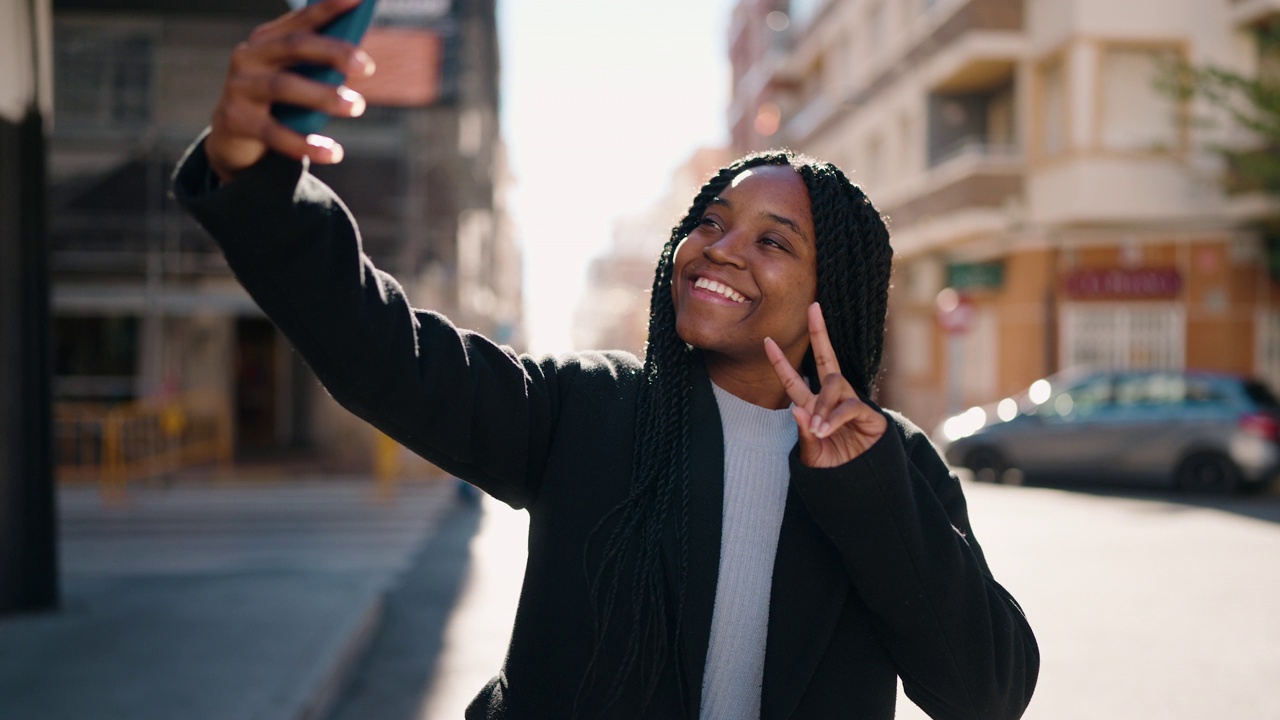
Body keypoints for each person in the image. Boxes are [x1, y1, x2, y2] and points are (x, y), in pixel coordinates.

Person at [172, 1, 1039, 717]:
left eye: (773, 241)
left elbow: (985, 691)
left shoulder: (896, 466)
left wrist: (868, 493)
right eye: (709, 221)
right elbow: (384, 354)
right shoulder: (589, 409)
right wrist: (257, 180)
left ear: (835, 295)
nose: (720, 249)